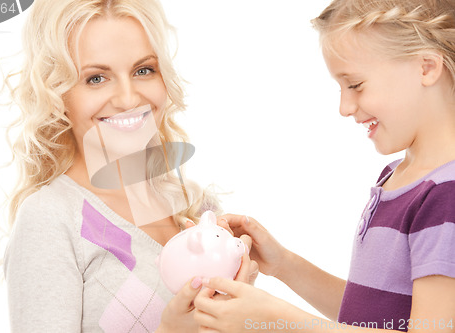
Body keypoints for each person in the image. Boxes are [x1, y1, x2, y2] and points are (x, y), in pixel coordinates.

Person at [193, 0, 455, 332]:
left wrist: (278, 321)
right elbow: (373, 313)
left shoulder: (446, 194)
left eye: (356, 85)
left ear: (427, 67)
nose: (345, 107)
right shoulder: (397, 178)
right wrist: (285, 265)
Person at [1, 0, 256, 332]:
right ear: (57, 94)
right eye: (96, 78)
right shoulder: (50, 219)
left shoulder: (196, 207)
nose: (128, 98)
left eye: (143, 70)